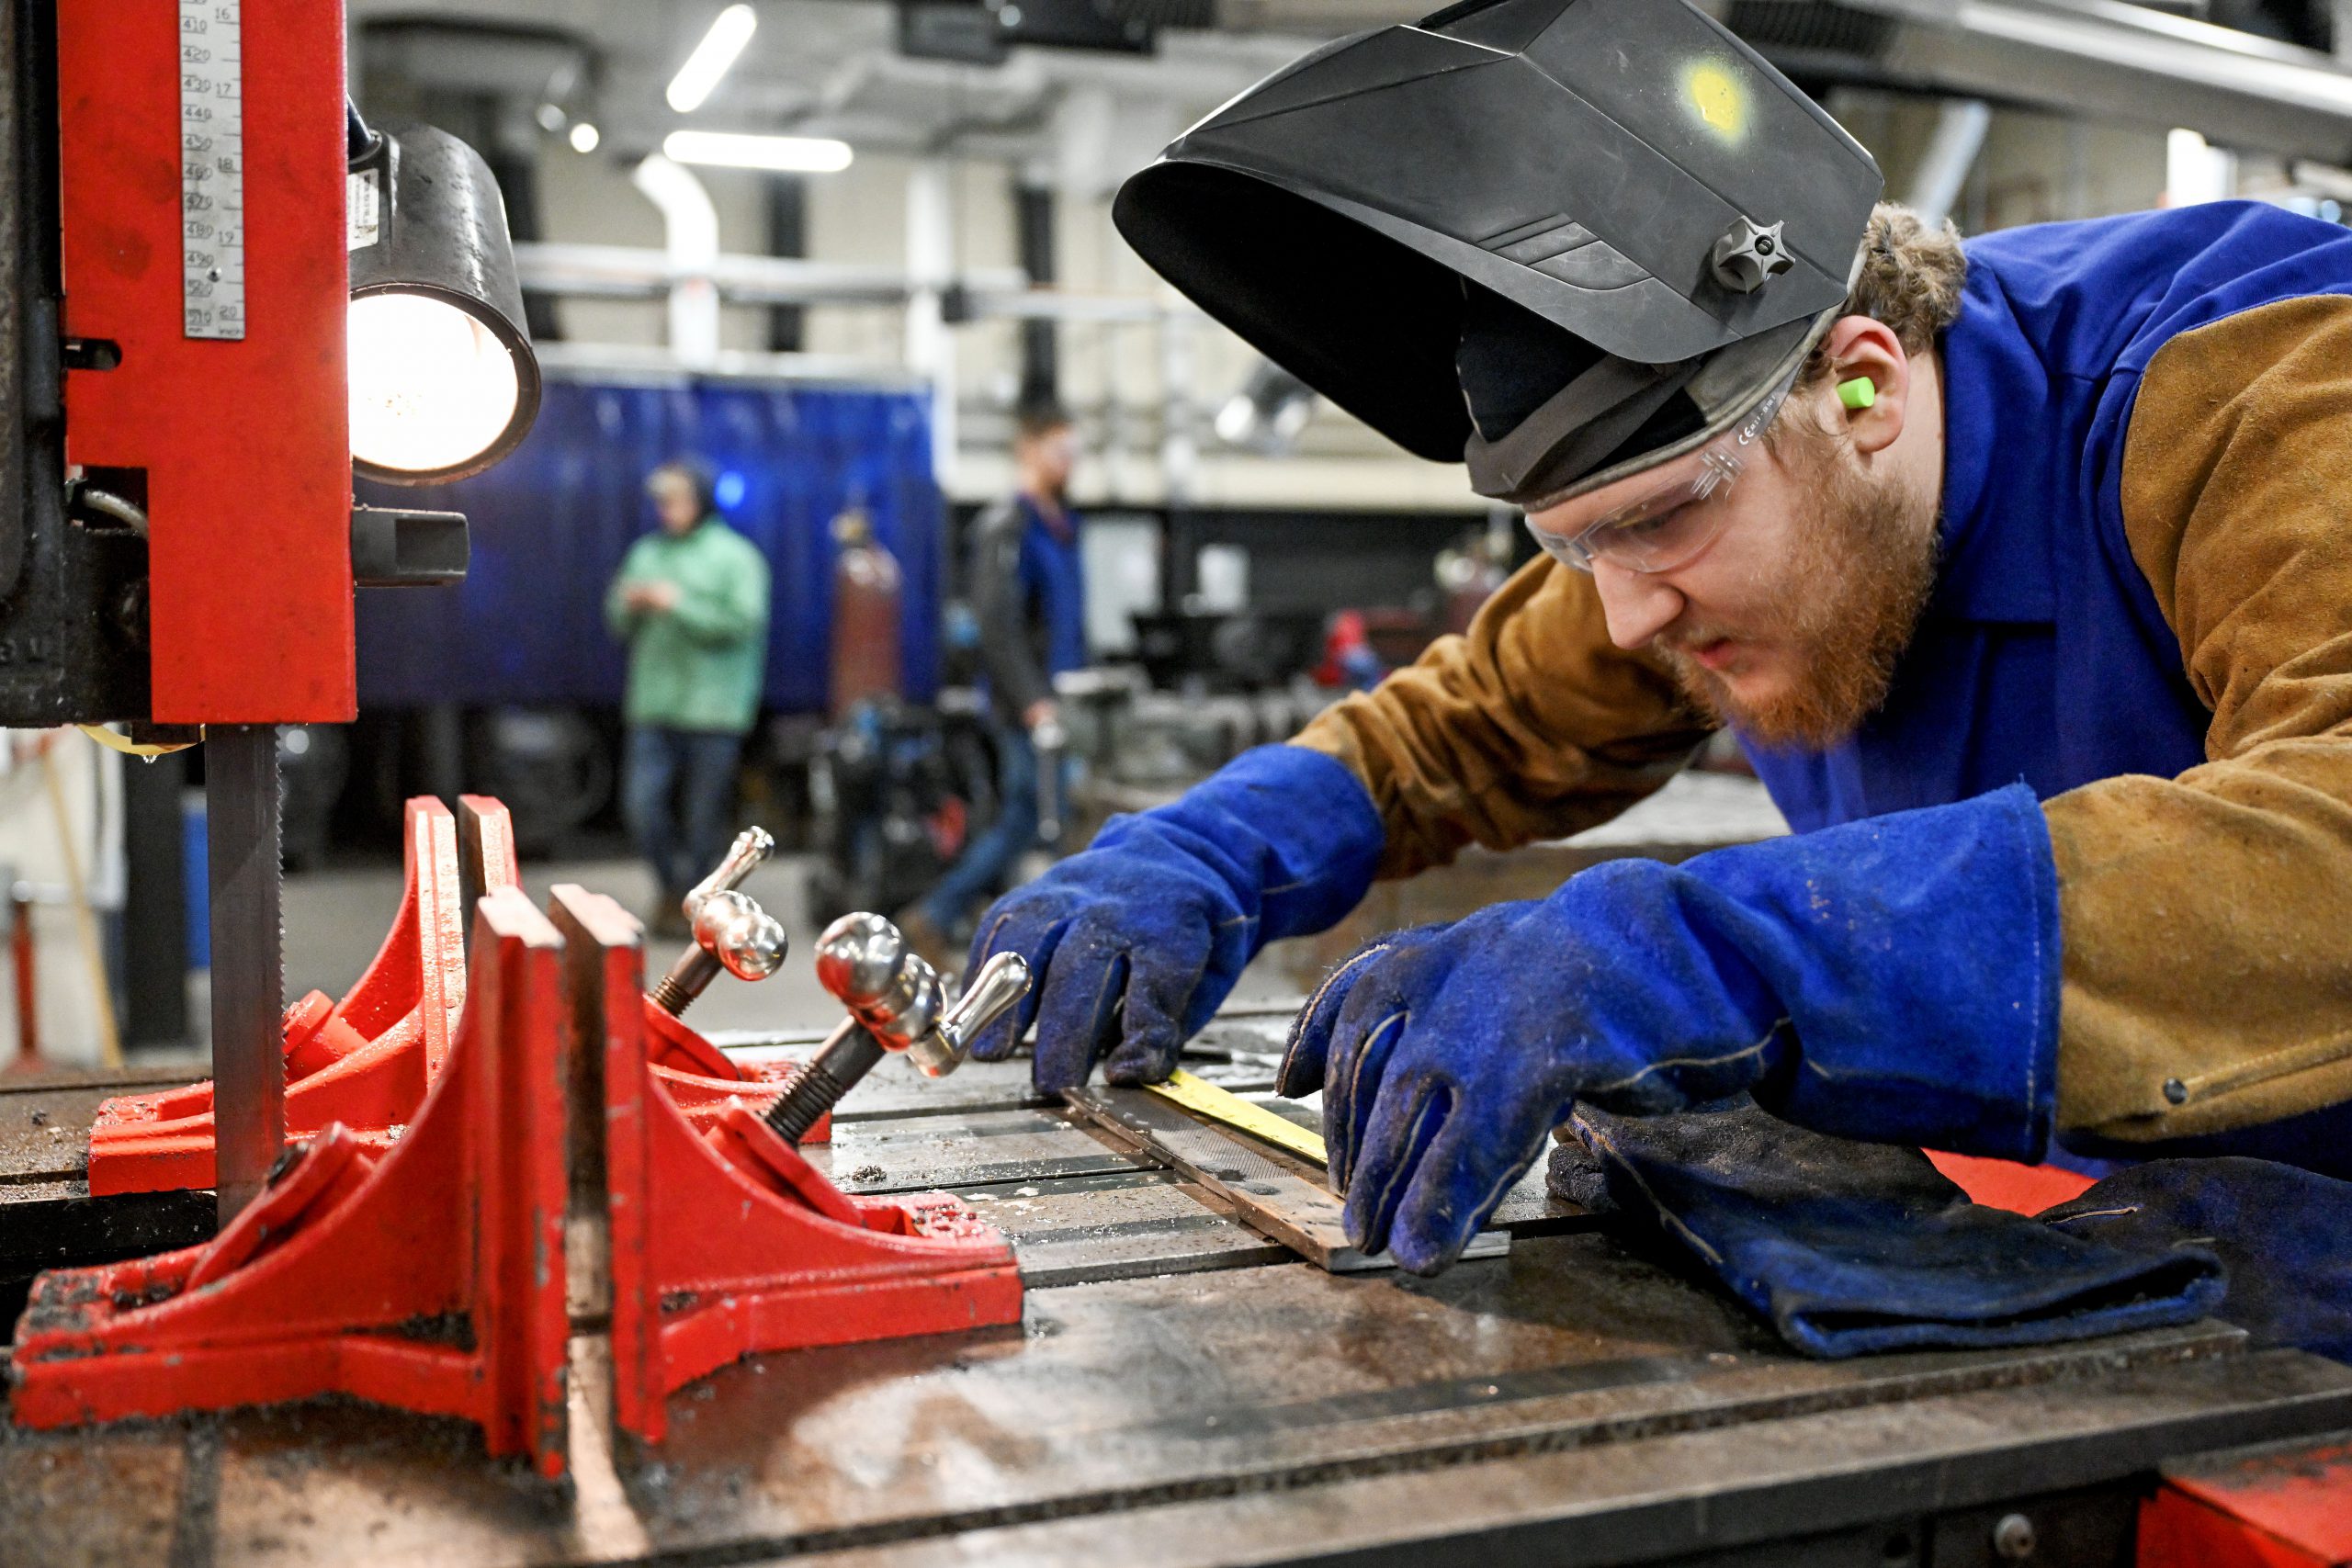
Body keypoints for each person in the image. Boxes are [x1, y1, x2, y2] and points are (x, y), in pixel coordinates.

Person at [957, 0, 2352, 1343]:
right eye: (1577, 547)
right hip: (2102, 1220)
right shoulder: (1729, 513)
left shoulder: (2258, 382)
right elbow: (1462, 728)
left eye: (1658, 518)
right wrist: (1211, 849)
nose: (1625, 618)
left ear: (1862, 385)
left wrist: (1732, 944)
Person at [899, 406, 1085, 962]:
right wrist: (1032, 702)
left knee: (1029, 819)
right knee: (1028, 817)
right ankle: (940, 915)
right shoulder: (1007, 526)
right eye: (1059, 452)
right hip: (1025, 706)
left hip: (1062, 697)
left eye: (1074, 454)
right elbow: (997, 625)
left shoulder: (1060, 524)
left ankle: (988, 925)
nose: (1068, 464)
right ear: (1027, 451)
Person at [605, 458, 771, 938]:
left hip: (713, 710)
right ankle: (673, 889)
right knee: (642, 807)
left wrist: (676, 604)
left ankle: (697, 903)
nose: (665, 511)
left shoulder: (736, 557)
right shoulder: (646, 553)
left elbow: (744, 622)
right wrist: (629, 603)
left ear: (699, 501)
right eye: (660, 502)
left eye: (675, 500)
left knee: (704, 819)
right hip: (654, 706)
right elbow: (616, 618)